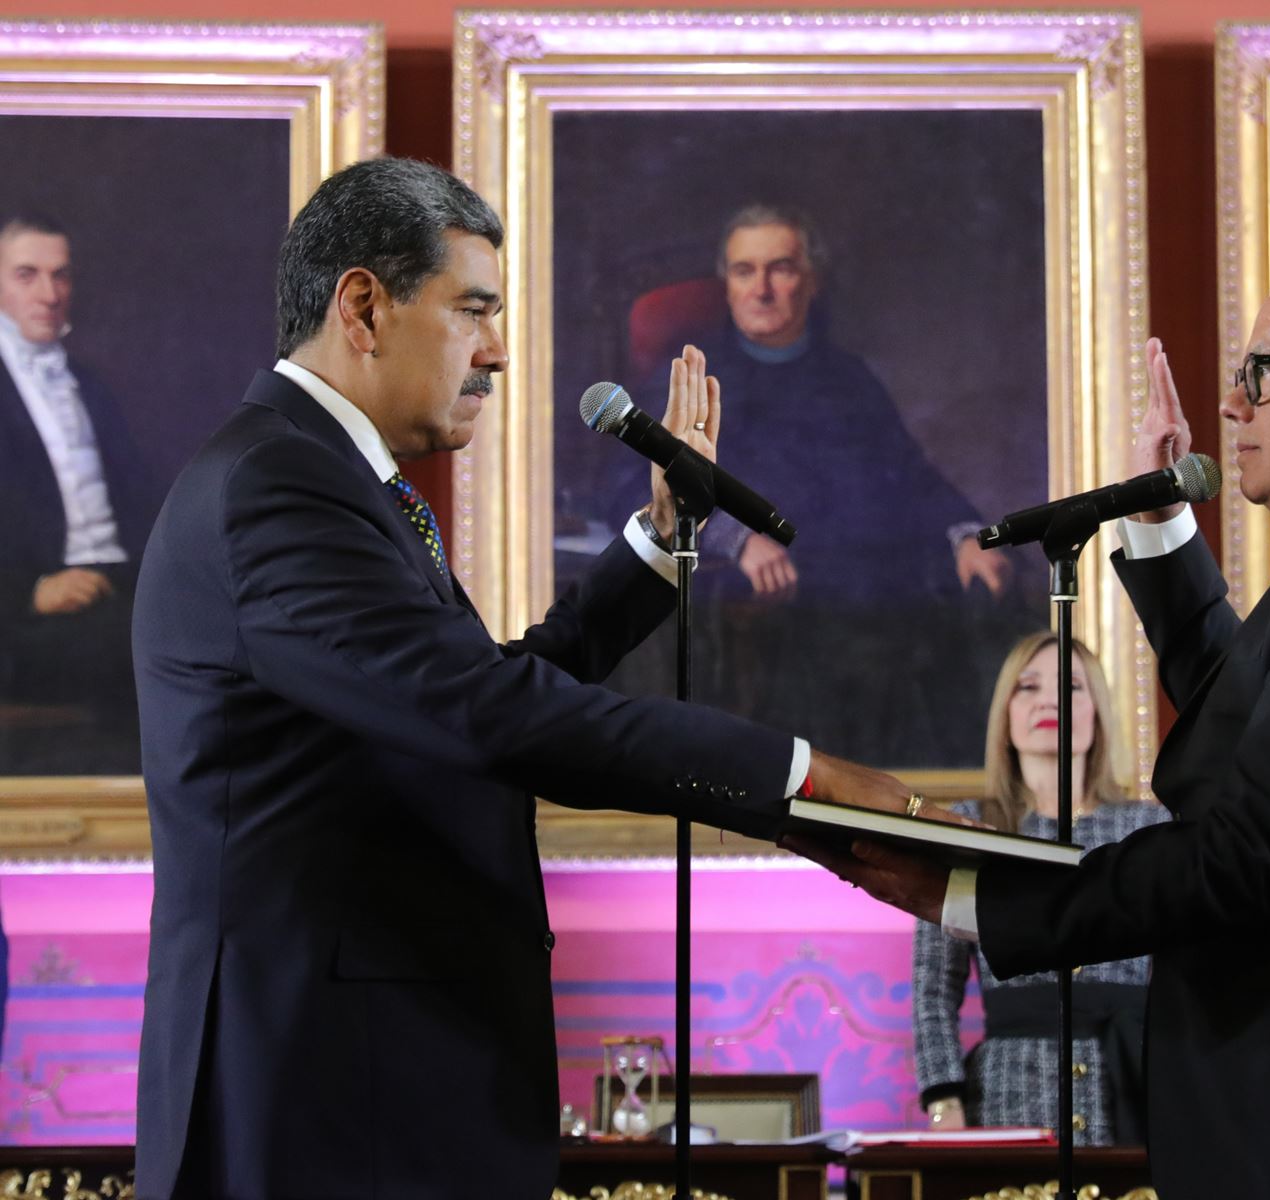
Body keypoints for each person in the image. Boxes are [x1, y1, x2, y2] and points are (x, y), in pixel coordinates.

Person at [131, 158, 930, 1200]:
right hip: (322, 1101)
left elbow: (467, 699)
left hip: (373, 1092)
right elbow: (487, 715)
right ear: (365, 306)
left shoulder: (315, 477)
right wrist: (799, 776)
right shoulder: (277, 490)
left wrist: (658, 542)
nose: (497, 352)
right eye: (473, 310)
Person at [791, 265, 1270, 1198]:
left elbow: (1246, 855)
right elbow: (1258, 737)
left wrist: (979, 893)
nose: (1232, 404)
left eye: (1262, 373)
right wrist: (1160, 525)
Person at [564, 204, 1035, 766]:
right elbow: (632, 492)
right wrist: (734, 540)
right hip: (765, 608)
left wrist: (963, 536)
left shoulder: (849, 378)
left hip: (873, 593)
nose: (761, 288)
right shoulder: (689, 380)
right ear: (727, 284)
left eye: (780, 268)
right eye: (744, 271)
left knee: (999, 607)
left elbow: (910, 476)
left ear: (810, 282)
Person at [912, 632, 1165, 1145]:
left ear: (1097, 712)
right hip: (1010, 1091)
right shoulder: (967, 828)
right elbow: (932, 990)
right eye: (1027, 687)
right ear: (1005, 713)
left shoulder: (1152, 828)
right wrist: (944, 1103)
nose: (1049, 700)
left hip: (1143, 1085)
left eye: (1070, 686)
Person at [0, 213, 148, 773]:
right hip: (24, 613)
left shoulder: (88, 383)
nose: (49, 293)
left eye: (60, 276)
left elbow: (136, 502)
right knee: (138, 652)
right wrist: (32, 592)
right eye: (27, 275)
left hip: (115, 584)